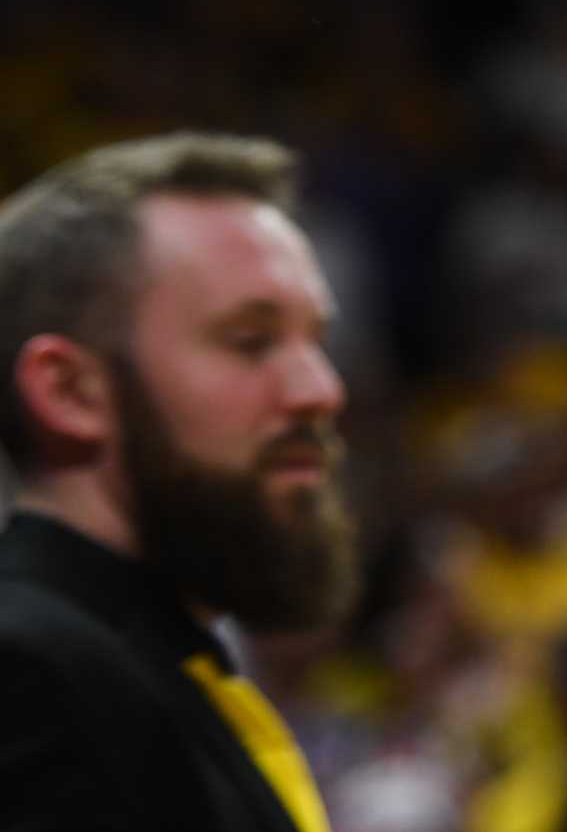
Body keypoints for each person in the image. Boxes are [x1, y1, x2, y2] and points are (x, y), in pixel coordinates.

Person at [0, 132, 355, 832]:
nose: (323, 389)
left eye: (316, 340)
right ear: (70, 390)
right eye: (250, 341)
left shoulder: (156, 667)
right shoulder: (30, 677)